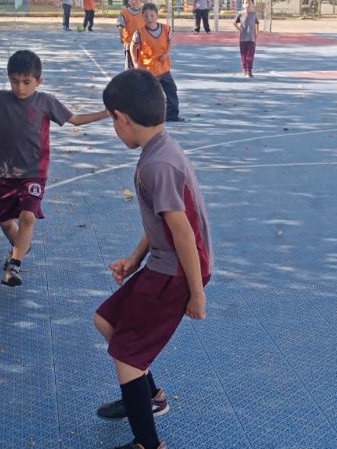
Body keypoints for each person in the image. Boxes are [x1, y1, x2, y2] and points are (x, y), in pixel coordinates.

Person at [92, 69, 212, 449]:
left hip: (175, 274)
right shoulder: (160, 149)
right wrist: (134, 258)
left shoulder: (157, 165)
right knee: (107, 321)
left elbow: (183, 233)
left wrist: (196, 294)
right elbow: (164, 222)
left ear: (121, 118)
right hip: (163, 263)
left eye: (113, 121)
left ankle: (148, 443)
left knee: (126, 355)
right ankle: (148, 398)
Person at [0, 50, 111, 286]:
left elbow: (75, 119)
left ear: (39, 81)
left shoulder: (46, 102)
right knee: (5, 222)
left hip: (34, 173)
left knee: (28, 216)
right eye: (14, 81)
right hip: (7, 173)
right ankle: (21, 247)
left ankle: (15, 264)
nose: (20, 88)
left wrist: (106, 113)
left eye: (26, 82)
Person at [132, 3, 183, 122]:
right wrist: (135, 63)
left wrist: (166, 54)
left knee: (171, 91)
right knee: (151, 95)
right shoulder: (139, 33)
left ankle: (172, 115)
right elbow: (132, 47)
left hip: (164, 69)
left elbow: (170, 41)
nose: (149, 18)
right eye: (146, 16)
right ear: (142, 17)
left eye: (152, 15)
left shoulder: (166, 29)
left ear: (157, 16)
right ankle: (146, 116)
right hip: (149, 70)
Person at [234, 0, 258, 77]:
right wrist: (239, 29)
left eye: (249, 3)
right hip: (243, 38)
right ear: (243, 5)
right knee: (243, 55)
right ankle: (244, 69)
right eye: (246, 3)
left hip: (251, 38)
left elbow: (257, 23)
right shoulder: (240, 14)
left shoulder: (254, 14)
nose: (247, 4)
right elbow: (234, 23)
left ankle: (249, 71)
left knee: (250, 55)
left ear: (252, 5)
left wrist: (257, 33)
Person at [118, 0, 144, 69]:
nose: (135, 1)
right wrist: (121, 37)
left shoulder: (144, 12)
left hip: (143, 44)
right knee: (130, 66)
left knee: (142, 66)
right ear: (129, 2)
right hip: (130, 44)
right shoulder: (124, 13)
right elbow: (121, 26)